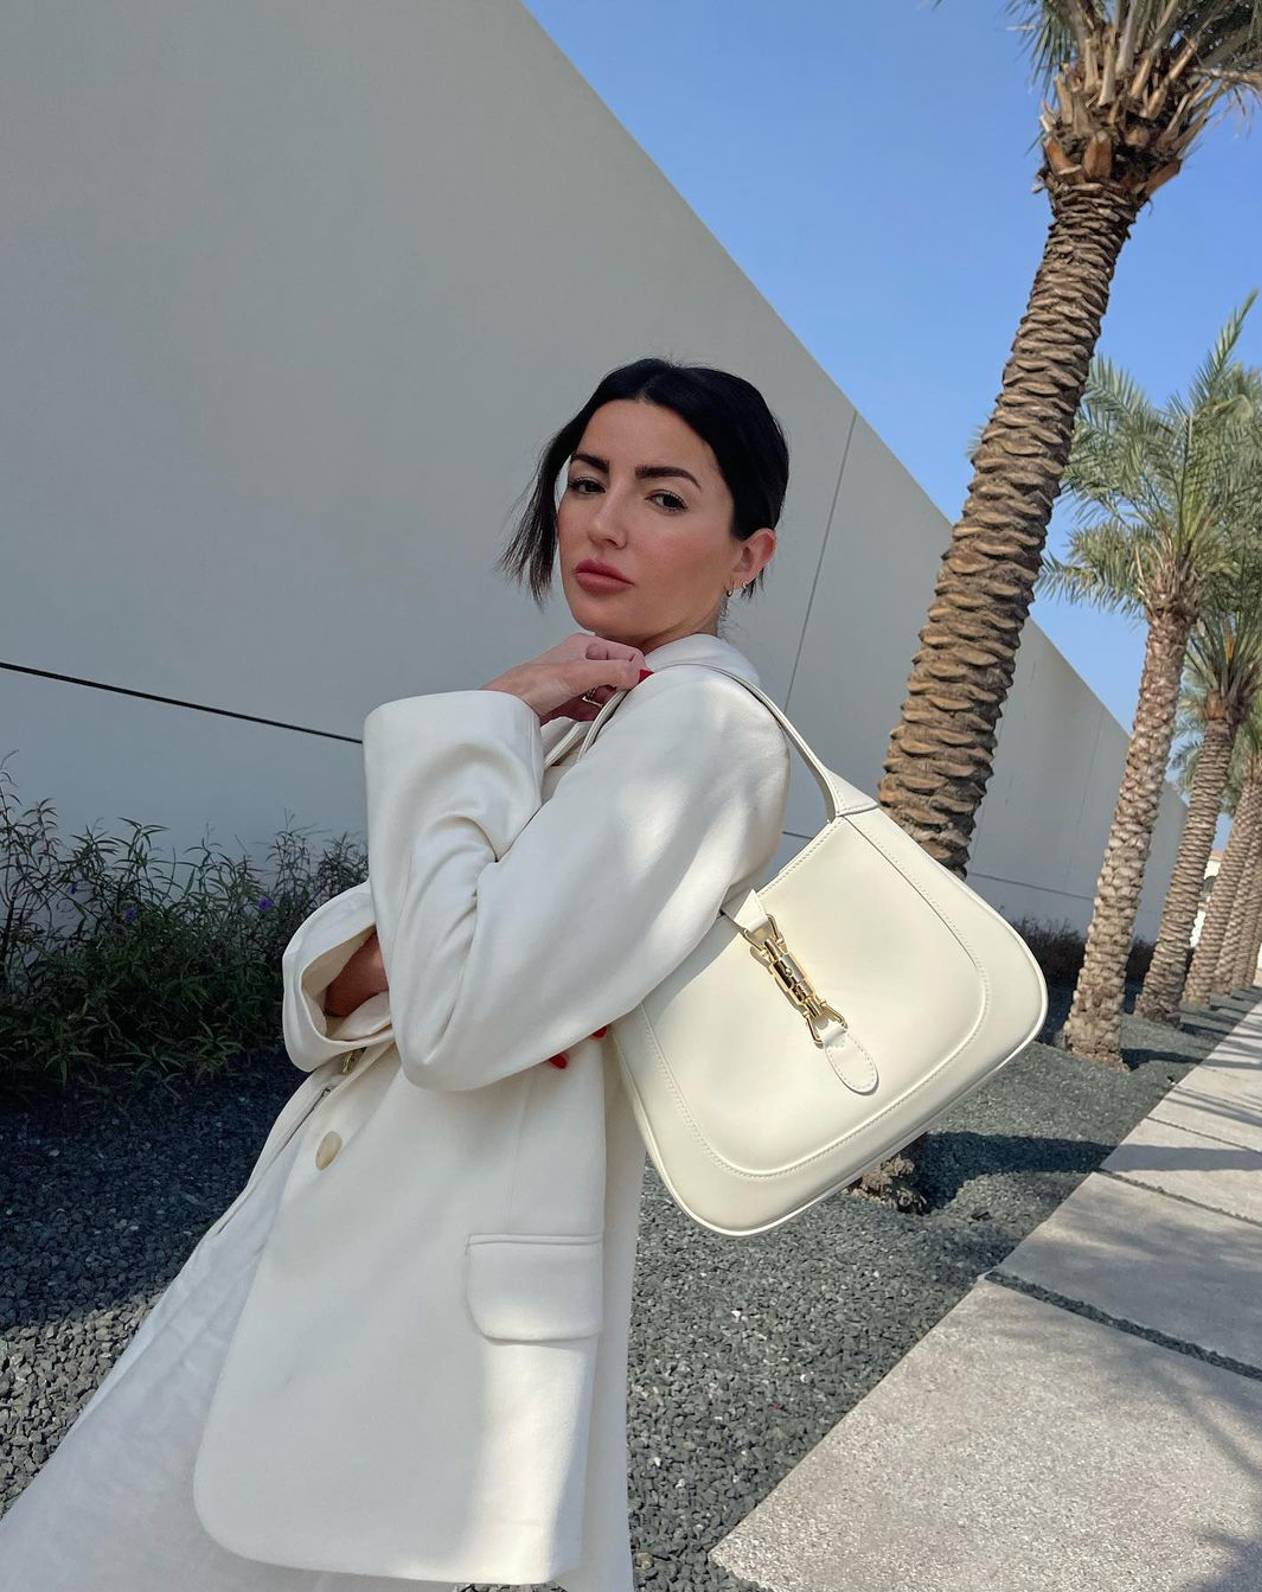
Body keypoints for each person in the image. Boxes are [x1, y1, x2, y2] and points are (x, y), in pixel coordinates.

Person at [0, 356, 791, 1590]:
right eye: (587, 480)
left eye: (664, 495)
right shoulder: (603, 712)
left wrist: (485, 720)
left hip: (410, 1265)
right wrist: (426, 911)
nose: (603, 521)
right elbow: (338, 987)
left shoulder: (700, 726)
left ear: (750, 553)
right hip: (350, 1229)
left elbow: (453, 1014)